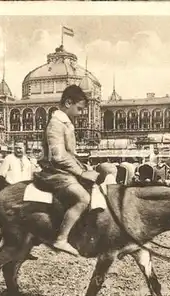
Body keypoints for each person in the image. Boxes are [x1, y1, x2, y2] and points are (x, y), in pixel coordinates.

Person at [40, 84, 102, 256]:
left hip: (64, 169)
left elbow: (70, 154)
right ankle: (61, 238)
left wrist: (85, 167)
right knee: (83, 198)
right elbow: (58, 155)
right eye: (79, 109)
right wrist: (81, 172)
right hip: (54, 171)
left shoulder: (65, 122)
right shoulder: (56, 124)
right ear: (68, 103)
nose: (81, 113)